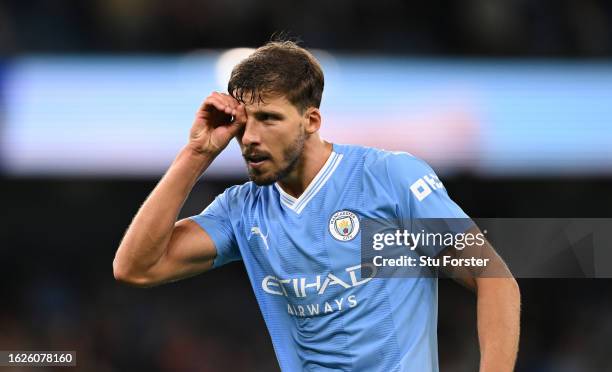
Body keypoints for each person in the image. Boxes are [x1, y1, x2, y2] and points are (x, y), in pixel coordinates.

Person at [113, 40, 520, 371]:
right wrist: (196, 153)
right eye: (243, 122)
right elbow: (136, 267)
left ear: (311, 120)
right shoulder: (242, 210)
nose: (250, 137)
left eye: (268, 118)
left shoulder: (387, 179)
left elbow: (494, 277)